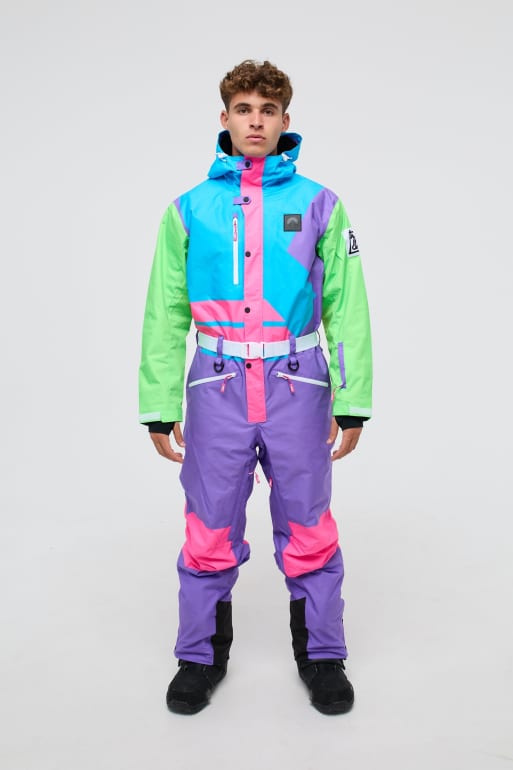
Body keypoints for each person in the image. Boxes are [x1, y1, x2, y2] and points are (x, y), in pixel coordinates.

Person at [138, 59, 372, 716]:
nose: (256, 121)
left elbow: (345, 304)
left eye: (268, 111)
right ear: (225, 118)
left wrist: (352, 398)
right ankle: (199, 658)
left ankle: (322, 656)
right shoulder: (189, 210)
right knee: (208, 528)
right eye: (244, 109)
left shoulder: (320, 204)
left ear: (285, 120)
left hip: (298, 388)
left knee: (309, 527)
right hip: (217, 391)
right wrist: (159, 405)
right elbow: (165, 311)